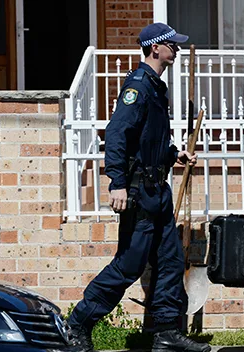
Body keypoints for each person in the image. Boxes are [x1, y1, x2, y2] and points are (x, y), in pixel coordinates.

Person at [66, 23, 210, 352]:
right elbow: (117, 134)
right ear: (154, 48)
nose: (175, 48)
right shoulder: (138, 87)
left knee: (171, 261)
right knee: (129, 264)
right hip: (140, 193)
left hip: (158, 192)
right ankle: (77, 324)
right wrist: (116, 182)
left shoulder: (157, 88)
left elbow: (153, 139)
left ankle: (165, 334)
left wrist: (176, 154)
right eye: (170, 44)